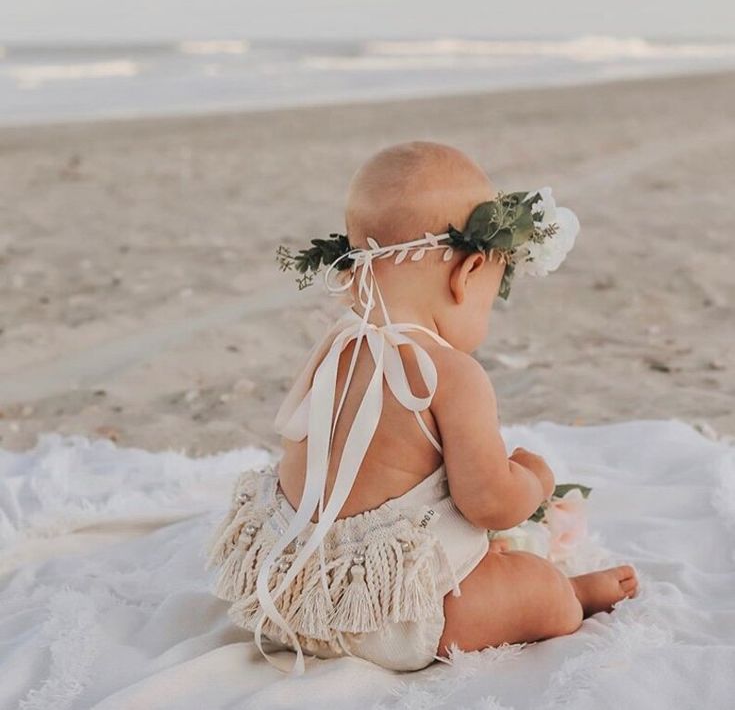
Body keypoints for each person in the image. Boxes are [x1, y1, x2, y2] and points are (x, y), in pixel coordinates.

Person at [208, 141, 638, 675]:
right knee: (537, 589)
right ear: (467, 273)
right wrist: (534, 480)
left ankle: (475, 570)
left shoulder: (334, 351)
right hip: (388, 619)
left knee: (474, 554)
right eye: (490, 293)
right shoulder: (451, 374)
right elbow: (489, 503)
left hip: (296, 599)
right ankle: (573, 594)